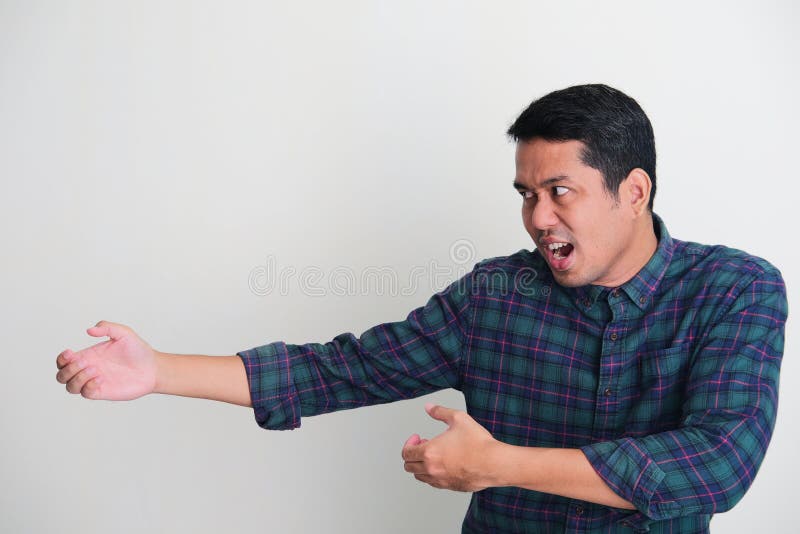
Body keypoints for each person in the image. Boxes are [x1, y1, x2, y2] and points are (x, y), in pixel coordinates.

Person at [55, 84, 787, 533]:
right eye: (526, 195)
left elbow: (717, 464)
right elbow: (343, 370)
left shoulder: (735, 289)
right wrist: (157, 370)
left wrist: (501, 465)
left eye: (559, 191)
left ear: (633, 192)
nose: (537, 218)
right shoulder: (495, 294)